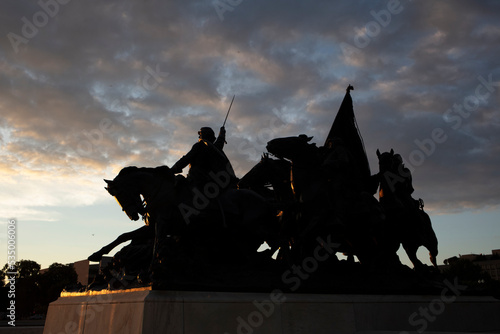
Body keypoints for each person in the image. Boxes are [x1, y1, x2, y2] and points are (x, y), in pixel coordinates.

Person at [171, 126, 237, 192]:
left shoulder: (199, 145)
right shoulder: (215, 149)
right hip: (212, 183)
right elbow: (220, 141)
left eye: (200, 135)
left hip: (196, 181)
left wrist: (172, 169)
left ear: (204, 135)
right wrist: (222, 133)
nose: (199, 137)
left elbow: (186, 159)